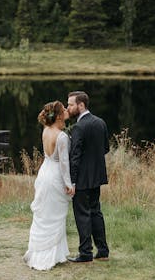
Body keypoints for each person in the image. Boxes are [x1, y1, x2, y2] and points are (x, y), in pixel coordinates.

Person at [23, 101, 75, 270]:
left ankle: (49, 253)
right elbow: (64, 164)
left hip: (44, 173)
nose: (67, 110)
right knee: (55, 215)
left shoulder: (46, 131)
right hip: (55, 177)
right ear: (59, 116)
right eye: (64, 109)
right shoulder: (62, 136)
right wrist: (69, 184)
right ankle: (47, 257)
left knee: (45, 214)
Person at [66, 91, 110, 263]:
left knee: (82, 214)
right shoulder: (100, 122)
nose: (68, 108)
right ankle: (103, 250)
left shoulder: (79, 127)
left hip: (83, 179)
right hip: (97, 176)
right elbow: (105, 148)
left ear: (81, 105)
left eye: (70, 104)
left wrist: (72, 180)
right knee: (95, 212)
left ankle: (85, 253)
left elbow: (75, 156)